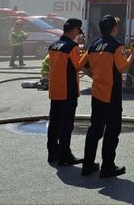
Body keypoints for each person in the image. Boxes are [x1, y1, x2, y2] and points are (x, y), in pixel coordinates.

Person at [80, 15, 134, 177]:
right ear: (114, 28)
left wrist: (96, 77)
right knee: (112, 130)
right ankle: (107, 167)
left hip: (97, 93)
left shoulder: (94, 46)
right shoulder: (116, 47)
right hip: (112, 94)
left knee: (95, 129)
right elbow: (123, 68)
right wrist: (133, 53)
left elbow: (82, 66)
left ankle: (88, 165)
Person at [47, 18, 86, 166]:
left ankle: (52, 153)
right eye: (77, 31)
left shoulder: (53, 45)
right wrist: (87, 56)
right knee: (67, 124)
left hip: (55, 90)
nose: (78, 34)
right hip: (68, 91)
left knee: (54, 123)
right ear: (75, 30)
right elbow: (78, 65)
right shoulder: (72, 47)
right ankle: (65, 155)